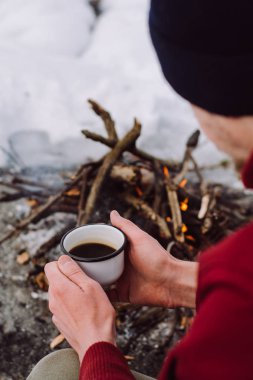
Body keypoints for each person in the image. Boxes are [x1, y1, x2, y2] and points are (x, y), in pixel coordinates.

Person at [27, 0, 253, 379]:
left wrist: (95, 343)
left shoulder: (235, 302)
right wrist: (175, 280)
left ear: (216, 91)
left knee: (60, 371)